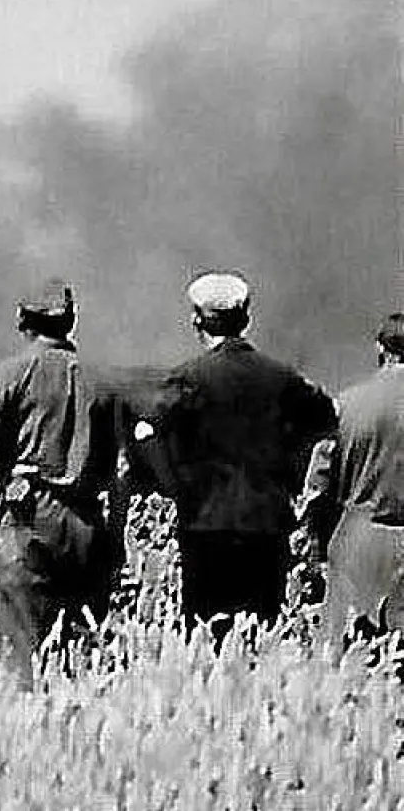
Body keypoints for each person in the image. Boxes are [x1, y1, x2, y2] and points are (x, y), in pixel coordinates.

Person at [135, 272, 337, 640]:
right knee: (262, 631)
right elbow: (326, 421)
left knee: (206, 632)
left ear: (197, 320)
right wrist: (293, 468)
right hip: (267, 521)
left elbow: (146, 431)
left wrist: (172, 483)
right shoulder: (281, 377)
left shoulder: (189, 377)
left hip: (205, 522)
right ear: (245, 318)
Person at [0, 280, 124, 687]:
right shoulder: (101, 380)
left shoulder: (16, 370)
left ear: (22, 322)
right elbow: (121, 471)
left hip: (29, 513)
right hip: (85, 518)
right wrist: (115, 537)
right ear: (71, 321)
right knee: (82, 652)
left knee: (20, 647)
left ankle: (23, 729)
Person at [300, 312, 404, 644]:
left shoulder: (345, 405)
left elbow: (318, 489)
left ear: (380, 350)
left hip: (358, 539)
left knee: (347, 652)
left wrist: (314, 550)